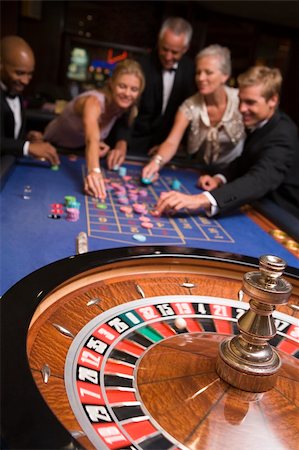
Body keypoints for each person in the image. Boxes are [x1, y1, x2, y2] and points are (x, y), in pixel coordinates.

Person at [155, 66, 299, 219]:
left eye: (250, 102)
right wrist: (219, 178)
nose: (242, 109)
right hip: (259, 203)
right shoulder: (262, 123)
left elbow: (260, 179)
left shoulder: (283, 133)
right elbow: (245, 162)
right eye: (241, 101)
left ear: (273, 100)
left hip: (283, 216)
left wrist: (201, 199)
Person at [142, 44, 245, 182]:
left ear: (225, 75)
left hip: (234, 175)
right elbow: (172, 141)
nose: (201, 78)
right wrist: (156, 162)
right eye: (198, 72)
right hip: (201, 174)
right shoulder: (189, 106)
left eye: (208, 72)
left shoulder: (242, 102)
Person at [44, 59, 145, 199]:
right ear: (111, 84)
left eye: (134, 89)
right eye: (122, 86)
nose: (127, 93)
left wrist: (100, 144)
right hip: (50, 147)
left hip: (74, 152)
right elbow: (91, 138)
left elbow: (93, 137)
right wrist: (95, 171)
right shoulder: (93, 102)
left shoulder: (120, 109)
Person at [114, 17, 196, 157]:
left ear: (185, 49)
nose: (168, 57)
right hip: (134, 142)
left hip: (166, 147)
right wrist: (122, 141)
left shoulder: (191, 71)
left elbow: (190, 112)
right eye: (164, 49)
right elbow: (126, 107)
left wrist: (173, 146)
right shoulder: (141, 65)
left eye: (175, 52)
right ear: (159, 41)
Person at [0, 35, 60, 165]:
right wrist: (27, 147)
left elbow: (8, 135)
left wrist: (27, 137)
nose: (26, 81)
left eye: (30, 74)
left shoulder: (16, 91)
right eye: (20, 73)